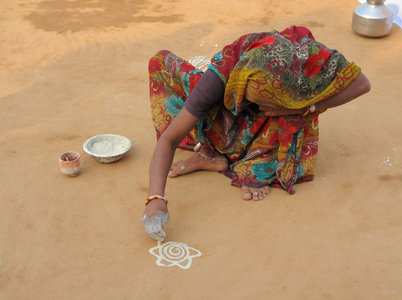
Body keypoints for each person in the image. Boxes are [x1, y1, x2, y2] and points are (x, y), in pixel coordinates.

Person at [142, 26, 370, 241]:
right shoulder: (219, 76)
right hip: (224, 110)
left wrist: (300, 107)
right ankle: (212, 154)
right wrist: (155, 198)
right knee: (160, 62)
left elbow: (362, 84)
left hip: (278, 119)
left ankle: (253, 163)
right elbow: (169, 138)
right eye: (254, 100)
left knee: (294, 117)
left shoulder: (310, 59)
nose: (256, 108)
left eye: (265, 103)